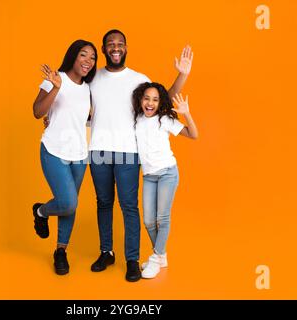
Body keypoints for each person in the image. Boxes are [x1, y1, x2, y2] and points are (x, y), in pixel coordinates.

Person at [88, 29, 193, 282]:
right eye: (110, 44)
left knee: (129, 206)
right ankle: (106, 252)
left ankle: (132, 259)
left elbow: (162, 99)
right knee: (103, 203)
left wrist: (183, 74)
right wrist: (55, 118)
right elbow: (80, 105)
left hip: (127, 151)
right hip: (98, 150)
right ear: (103, 49)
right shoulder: (93, 78)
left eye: (120, 44)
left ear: (126, 48)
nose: (115, 48)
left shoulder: (138, 79)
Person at [32, 39, 97, 275]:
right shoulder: (55, 79)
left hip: (79, 153)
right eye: (83, 55)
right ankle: (40, 211)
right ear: (73, 56)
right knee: (68, 202)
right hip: (54, 150)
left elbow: (83, 119)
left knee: (71, 207)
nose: (88, 61)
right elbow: (38, 112)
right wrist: (56, 88)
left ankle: (61, 251)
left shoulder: (89, 89)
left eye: (92, 58)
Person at [132, 83, 198, 279]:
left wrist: (187, 113)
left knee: (162, 218)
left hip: (168, 173)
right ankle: (161, 255)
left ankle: (155, 259)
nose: (150, 103)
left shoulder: (164, 119)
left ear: (160, 102)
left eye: (155, 99)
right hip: (149, 176)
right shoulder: (136, 120)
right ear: (140, 100)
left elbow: (193, 134)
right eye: (146, 98)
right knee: (148, 221)